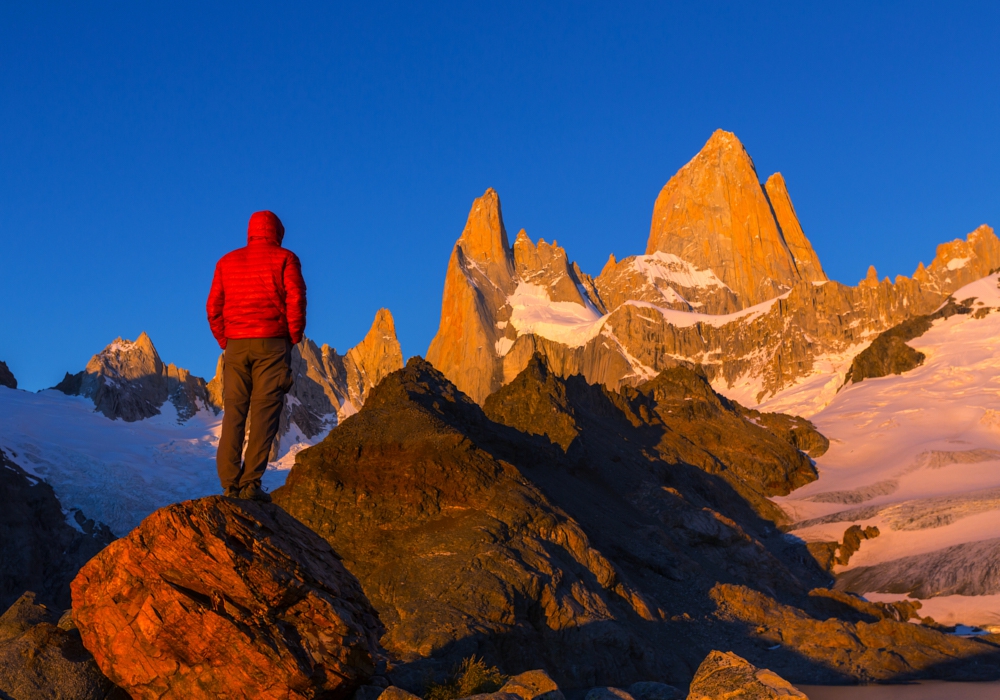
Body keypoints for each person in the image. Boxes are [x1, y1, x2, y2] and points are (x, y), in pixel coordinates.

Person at [206, 210, 306, 502]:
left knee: (234, 411)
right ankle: (250, 484)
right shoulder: (286, 258)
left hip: (236, 345)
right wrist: (294, 336)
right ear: (277, 232)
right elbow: (296, 298)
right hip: (272, 343)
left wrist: (225, 339)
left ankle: (229, 483)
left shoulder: (226, 262)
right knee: (264, 412)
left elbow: (213, 306)